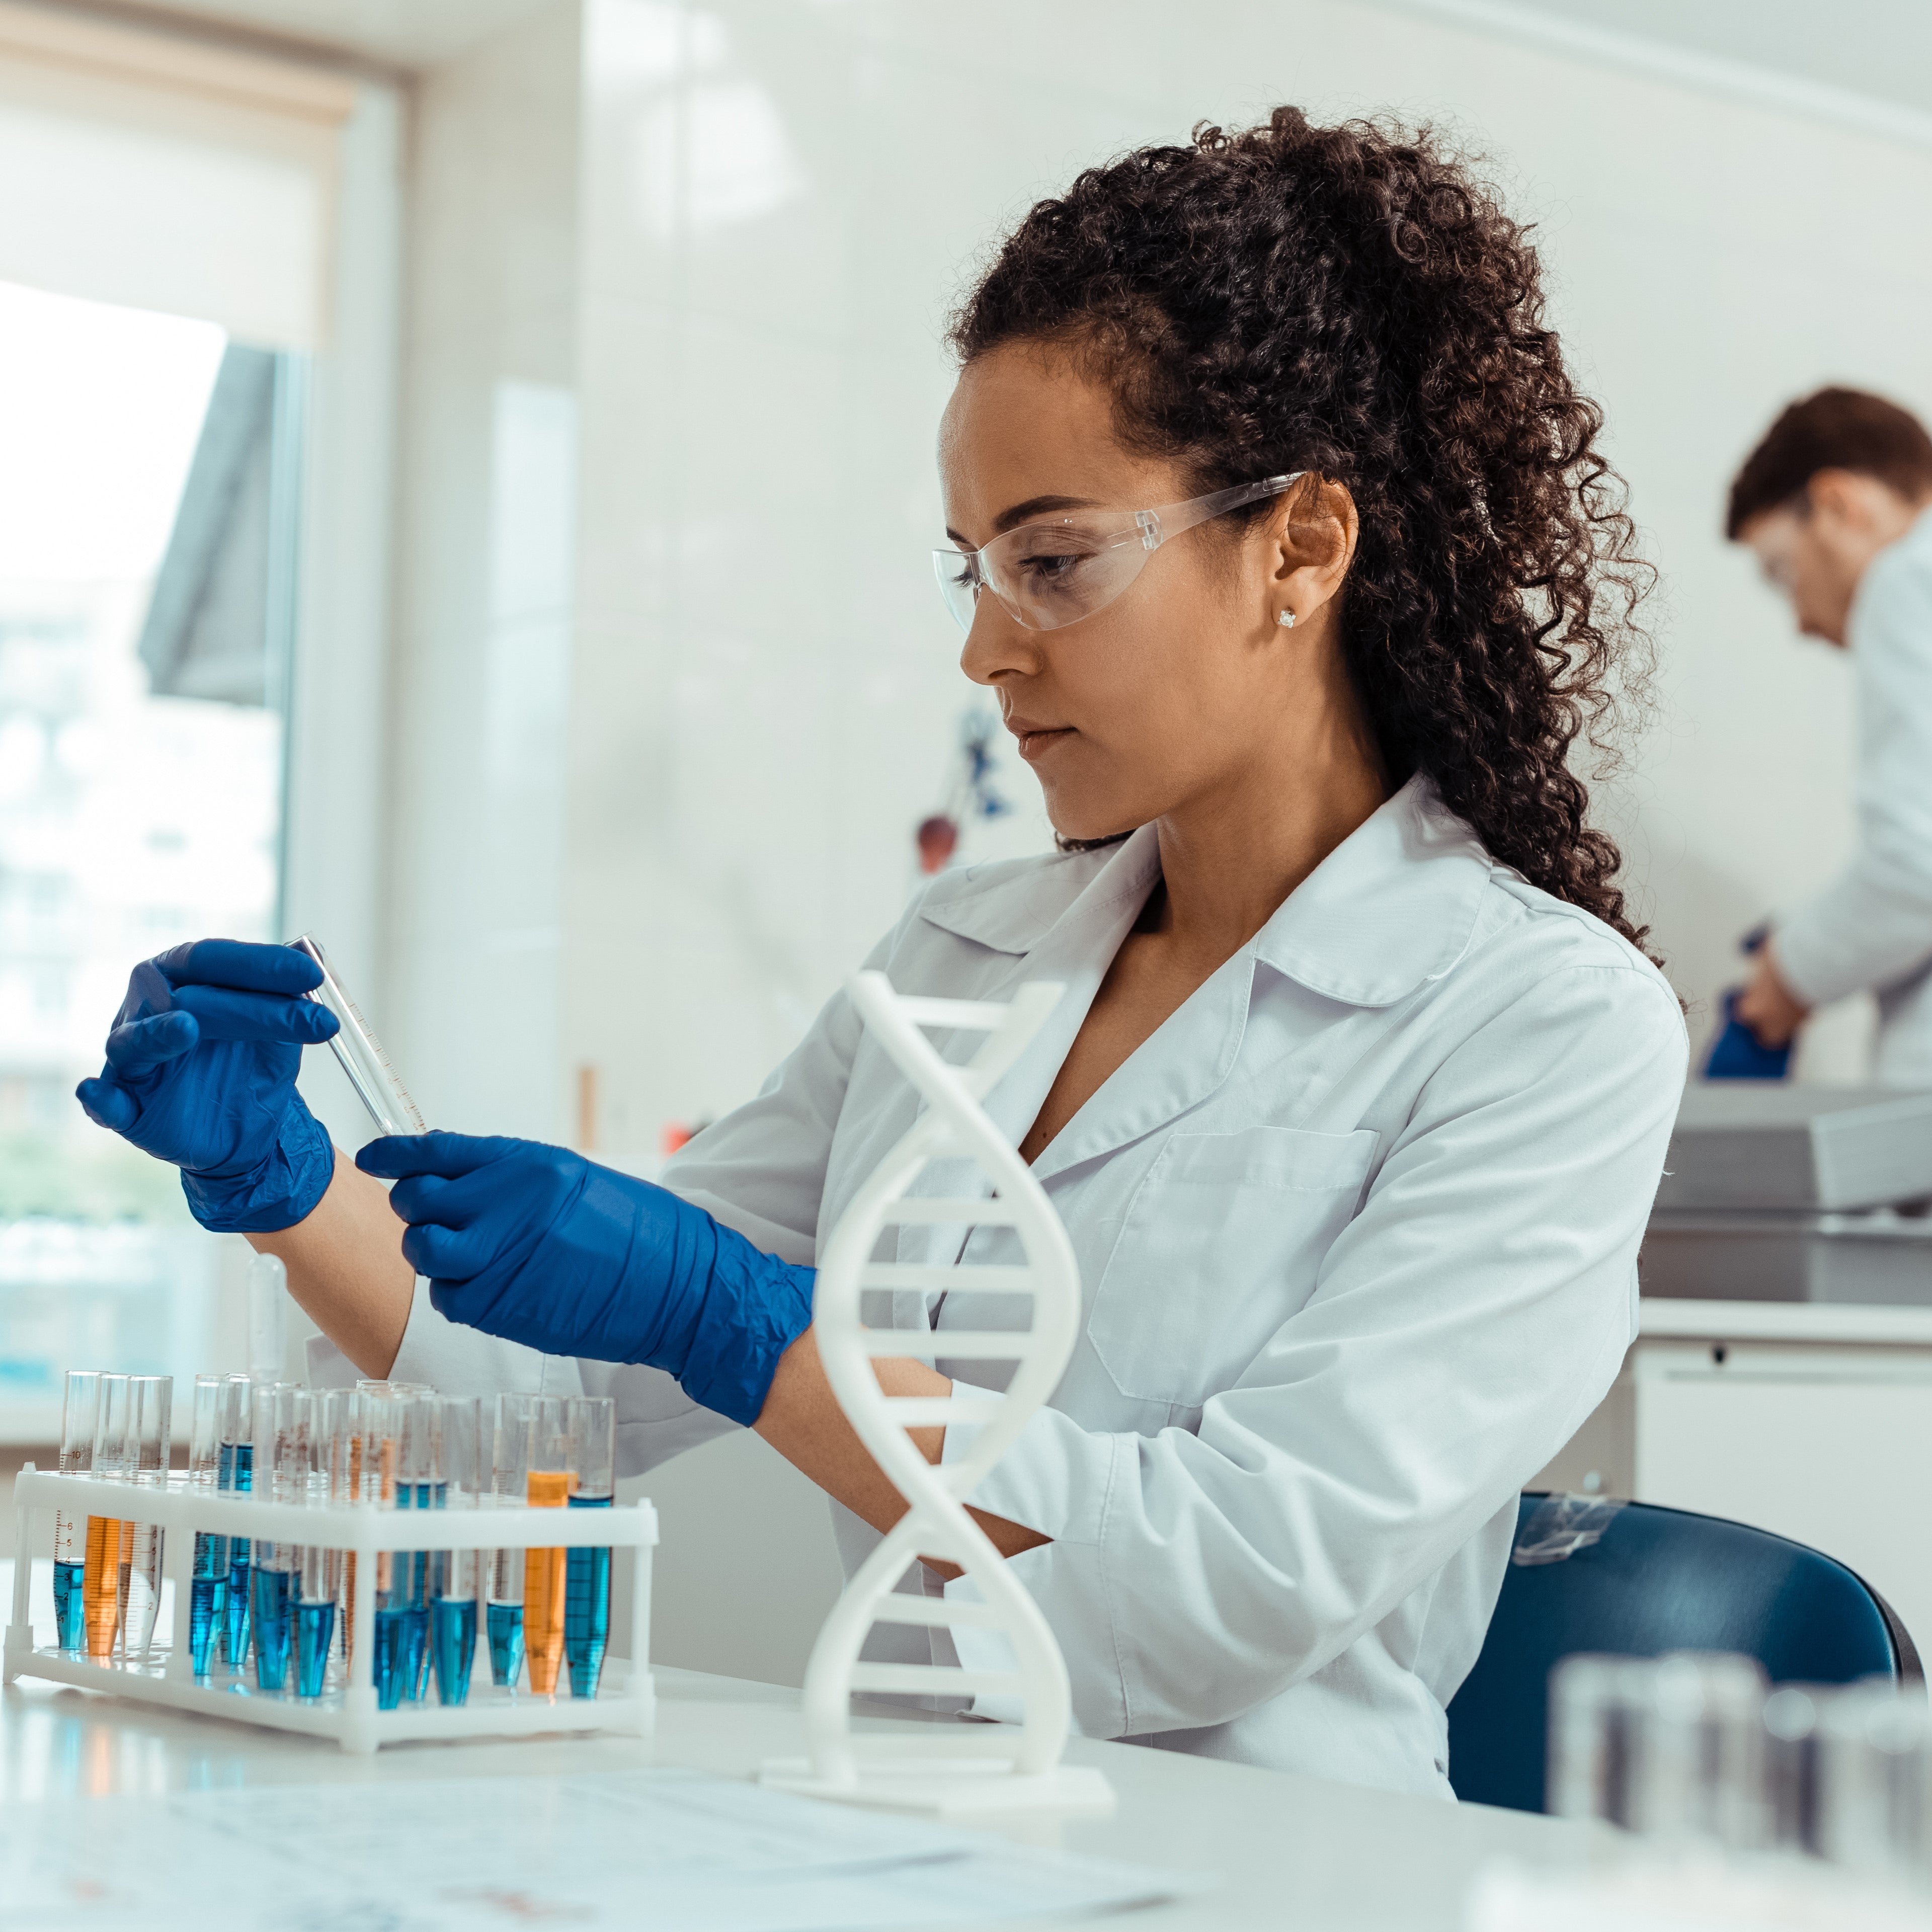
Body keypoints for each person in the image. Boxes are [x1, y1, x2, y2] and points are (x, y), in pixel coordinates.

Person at [77, 110, 1685, 1799]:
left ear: (1298, 549)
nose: (990, 647)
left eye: (1054, 563)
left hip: (1263, 1869)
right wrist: (286, 1185)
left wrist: (756, 1326)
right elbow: (570, 1394)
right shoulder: (966, 947)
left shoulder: (1546, 1023)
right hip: (895, 1832)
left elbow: (1220, 1583)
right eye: (974, 573)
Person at [1726, 388, 1932, 1082]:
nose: (1802, 624)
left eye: (1783, 573)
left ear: (1841, 503)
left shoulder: (1909, 577)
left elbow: (1919, 862)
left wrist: (1788, 975)